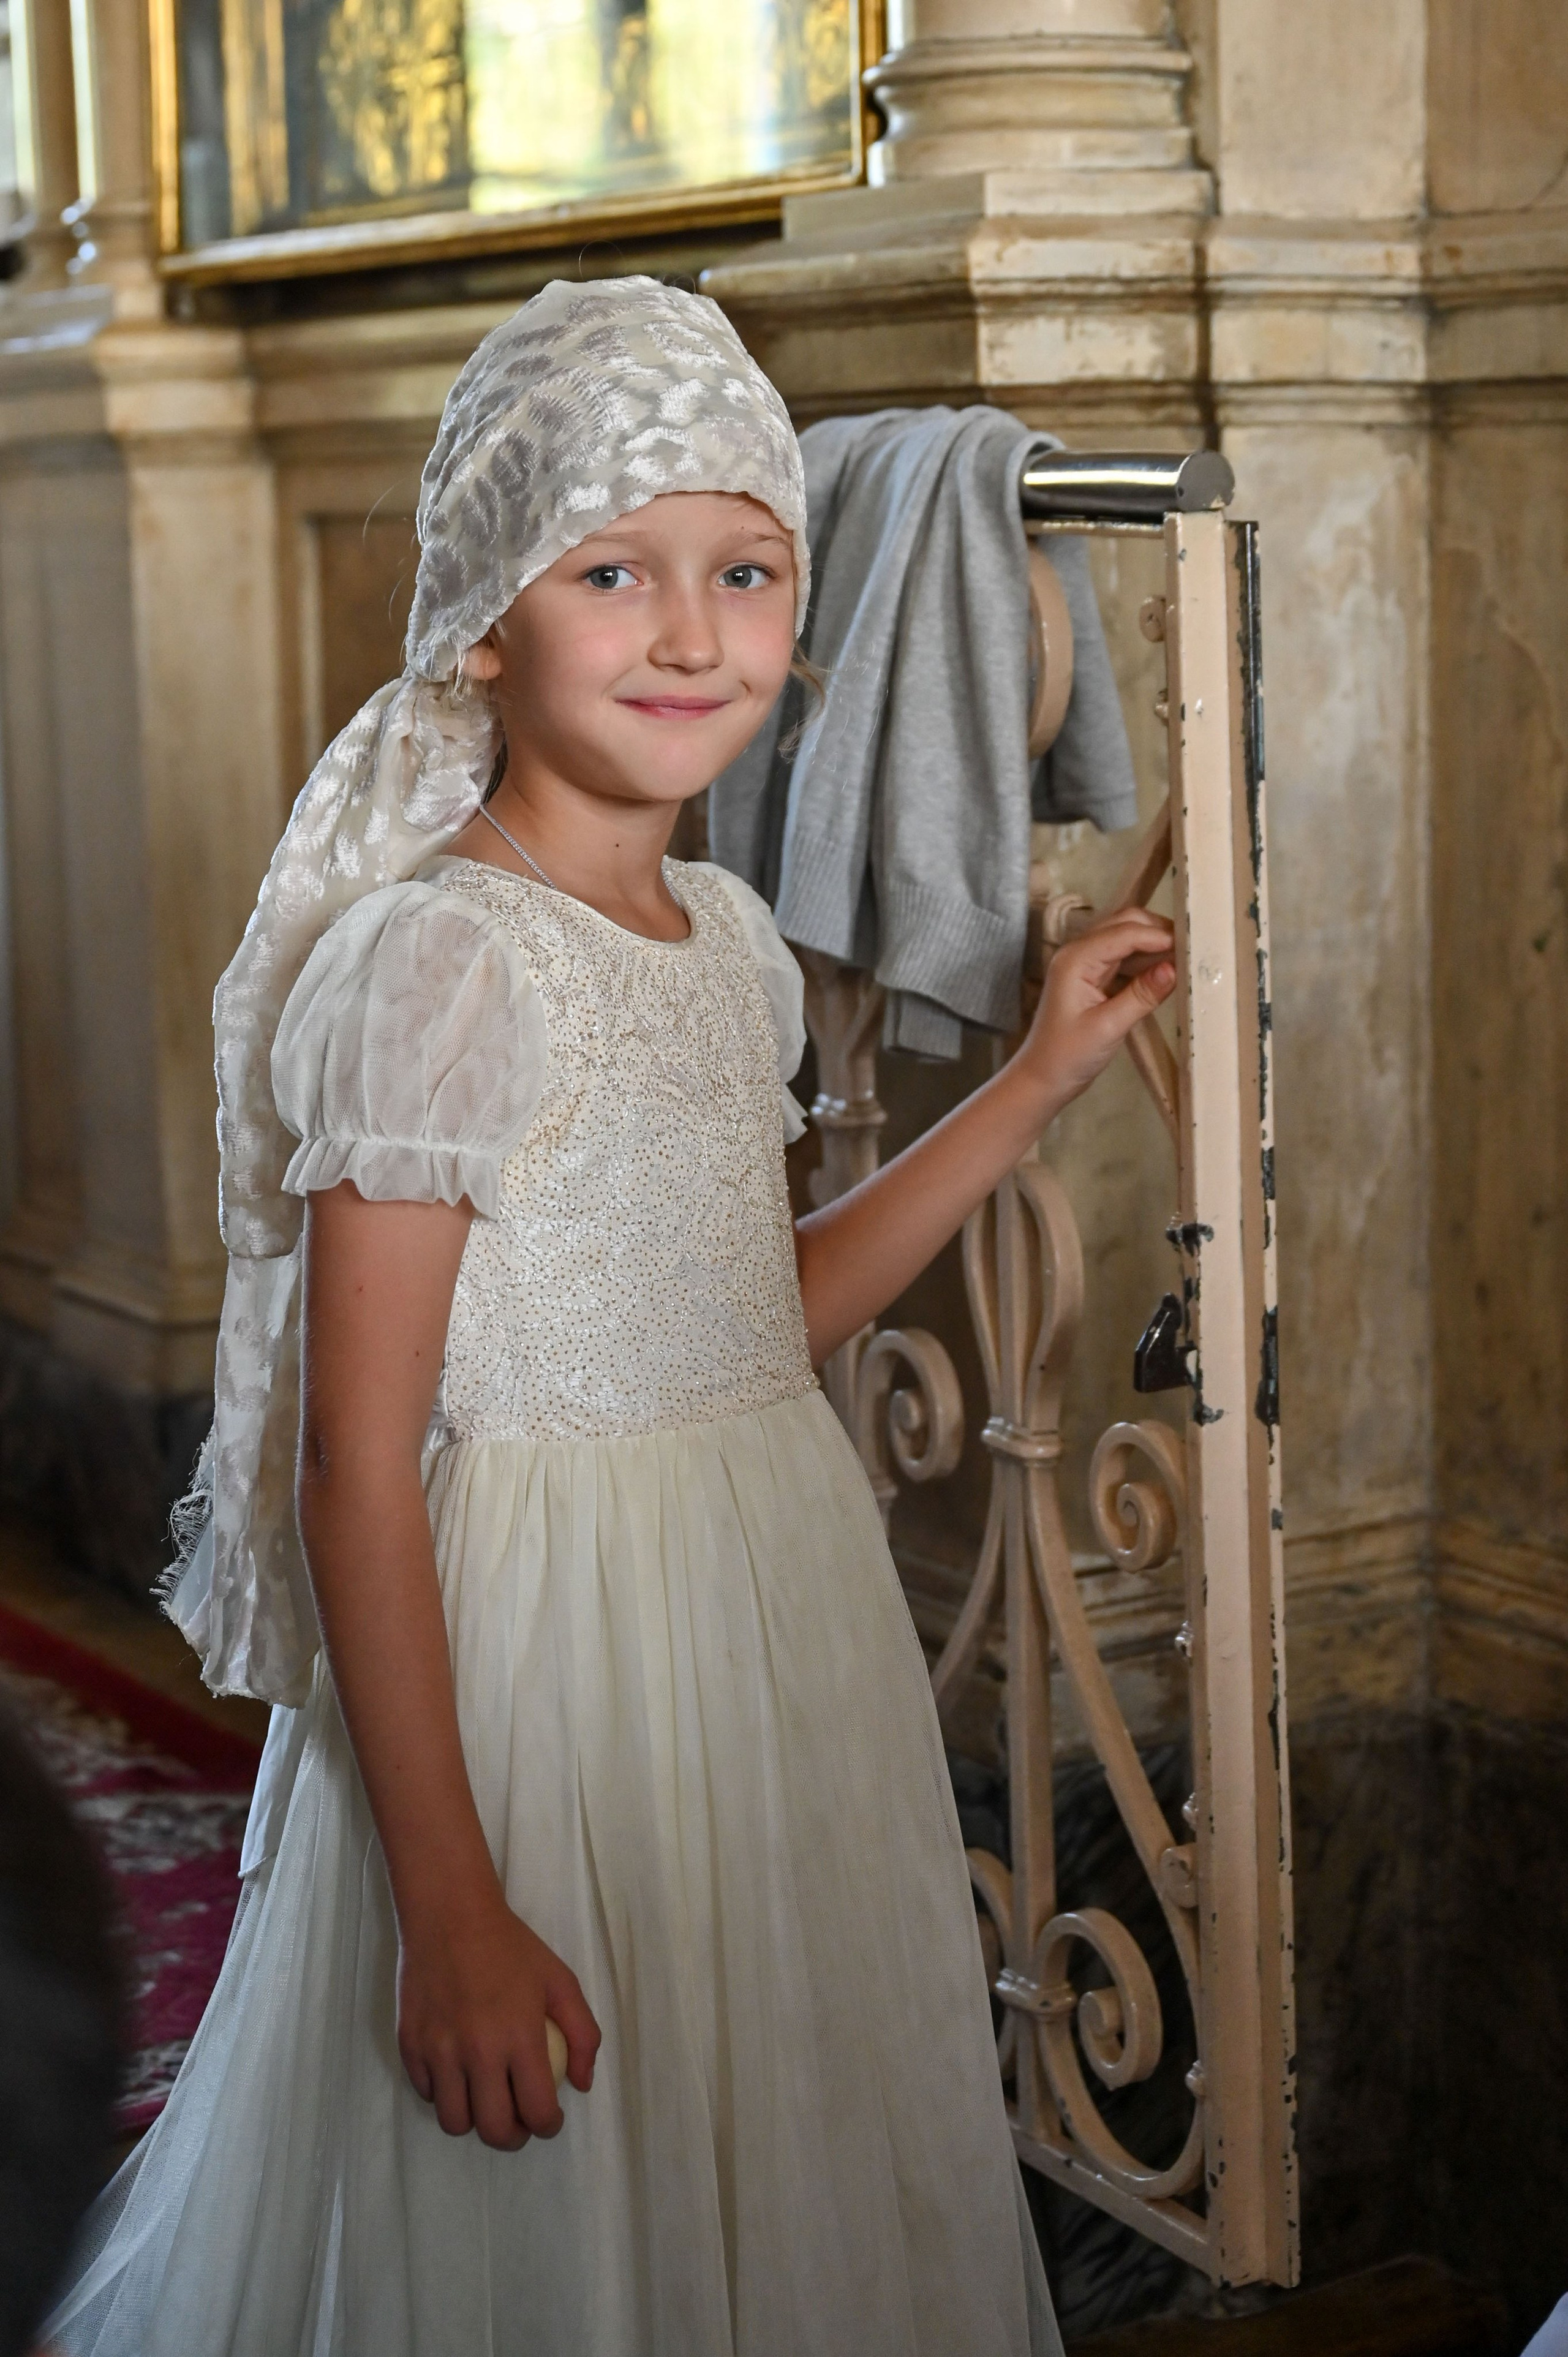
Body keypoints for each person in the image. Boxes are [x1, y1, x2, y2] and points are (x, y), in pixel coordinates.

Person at [46, 277, 1174, 2357]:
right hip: (538, 1663)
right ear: (485, 617)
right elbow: (353, 1460)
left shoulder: (728, 939)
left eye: (746, 570)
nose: (690, 632)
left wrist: (1029, 1085)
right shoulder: (440, 968)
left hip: (760, 1615)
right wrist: (453, 1903)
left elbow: (758, 1310)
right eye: (613, 572)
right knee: (557, 2201)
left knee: (759, 2137)